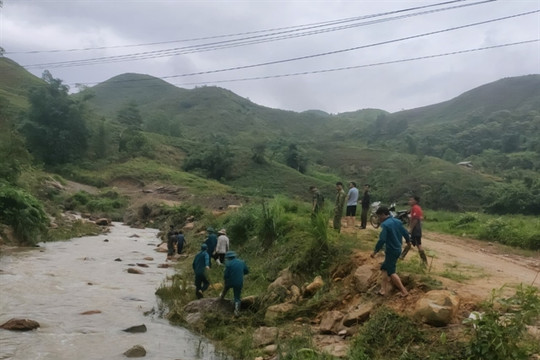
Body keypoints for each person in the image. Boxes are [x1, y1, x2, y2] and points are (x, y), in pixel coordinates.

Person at [370, 206, 409, 297]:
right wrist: (408, 241)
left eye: (379, 216)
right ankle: (383, 290)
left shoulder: (385, 225)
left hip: (391, 250)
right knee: (384, 268)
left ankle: (404, 291)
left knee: (391, 272)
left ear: (383, 215)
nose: (379, 219)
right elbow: (405, 232)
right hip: (397, 249)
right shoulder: (397, 222)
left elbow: (382, 240)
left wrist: (375, 251)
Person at [400, 196, 428, 266]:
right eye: (409, 200)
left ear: (415, 201)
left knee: (418, 244)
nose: (409, 201)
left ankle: (424, 262)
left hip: (415, 229)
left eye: (411, 200)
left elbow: (415, 219)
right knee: (409, 242)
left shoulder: (415, 208)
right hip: (417, 228)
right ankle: (402, 256)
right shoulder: (415, 208)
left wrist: (410, 229)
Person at [220, 251, 249, 317]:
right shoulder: (241, 262)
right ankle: (237, 311)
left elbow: (226, 275)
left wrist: (226, 279)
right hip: (239, 281)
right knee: (237, 296)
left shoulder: (228, 264)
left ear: (228, 258)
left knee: (226, 288)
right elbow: (246, 271)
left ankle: (221, 297)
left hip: (230, 281)